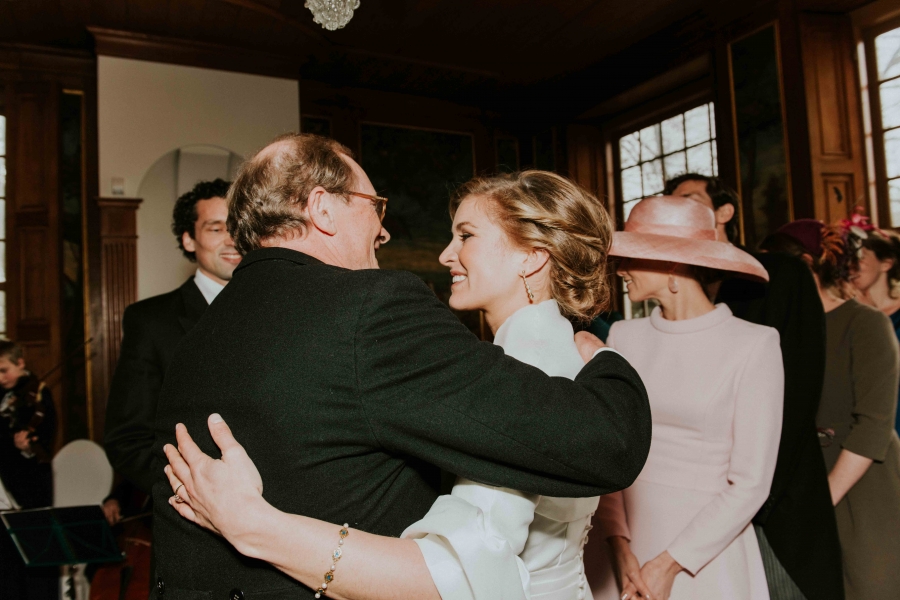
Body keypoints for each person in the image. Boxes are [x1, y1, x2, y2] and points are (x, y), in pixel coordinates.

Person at [151, 134, 652, 600]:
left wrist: (257, 526)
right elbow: (607, 443)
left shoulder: (199, 331)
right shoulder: (367, 310)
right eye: (374, 206)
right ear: (323, 208)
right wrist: (608, 359)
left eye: (466, 235)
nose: (383, 229)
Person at [659, 173, 843, 600]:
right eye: (672, 203)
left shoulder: (779, 275)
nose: (679, 208)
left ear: (724, 212)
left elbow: (798, 390)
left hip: (779, 493)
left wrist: (754, 497)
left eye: (689, 199)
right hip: (701, 508)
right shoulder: (680, 289)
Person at [590, 196, 784, 600]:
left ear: (673, 264)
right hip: (619, 546)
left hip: (704, 557)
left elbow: (751, 484)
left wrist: (668, 565)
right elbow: (611, 449)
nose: (620, 268)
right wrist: (618, 545)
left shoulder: (754, 345)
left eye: (633, 256)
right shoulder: (624, 336)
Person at [762, 220, 900, 600]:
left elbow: (873, 427)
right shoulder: (773, 334)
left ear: (806, 264)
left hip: (860, 487)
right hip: (799, 486)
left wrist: (819, 503)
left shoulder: (865, 323)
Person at [103, 178, 237, 505]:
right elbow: (127, 440)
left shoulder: (279, 310)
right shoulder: (151, 321)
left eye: (238, 227)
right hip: (194, 519)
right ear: (189, 240)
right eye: (216, 229)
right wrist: (189, 493)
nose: (232, 240)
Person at [0, 339, 58, 600]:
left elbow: (46, 434)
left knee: (35, 561)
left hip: (31, 485)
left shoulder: (39, 392)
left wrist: (27, 444)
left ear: (20, 363)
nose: (0, 377)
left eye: (4, 370)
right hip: (6, 482)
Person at [850, 225, 900, 436]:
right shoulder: (849, 315)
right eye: (848, 259)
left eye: (860, 258)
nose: (851, 266)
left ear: (886, 263)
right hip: (865, 421)